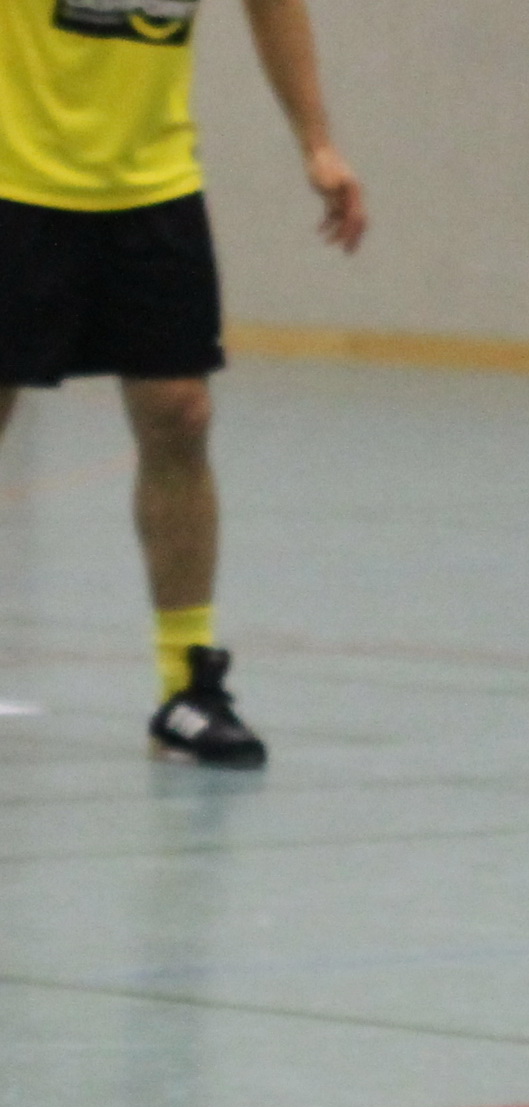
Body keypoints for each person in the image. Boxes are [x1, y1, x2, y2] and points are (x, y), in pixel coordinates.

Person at [0, 0, 368, 768]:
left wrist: (317, 142)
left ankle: (186, 690)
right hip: (14, 181)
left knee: (181, 412)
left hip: (152, 185)